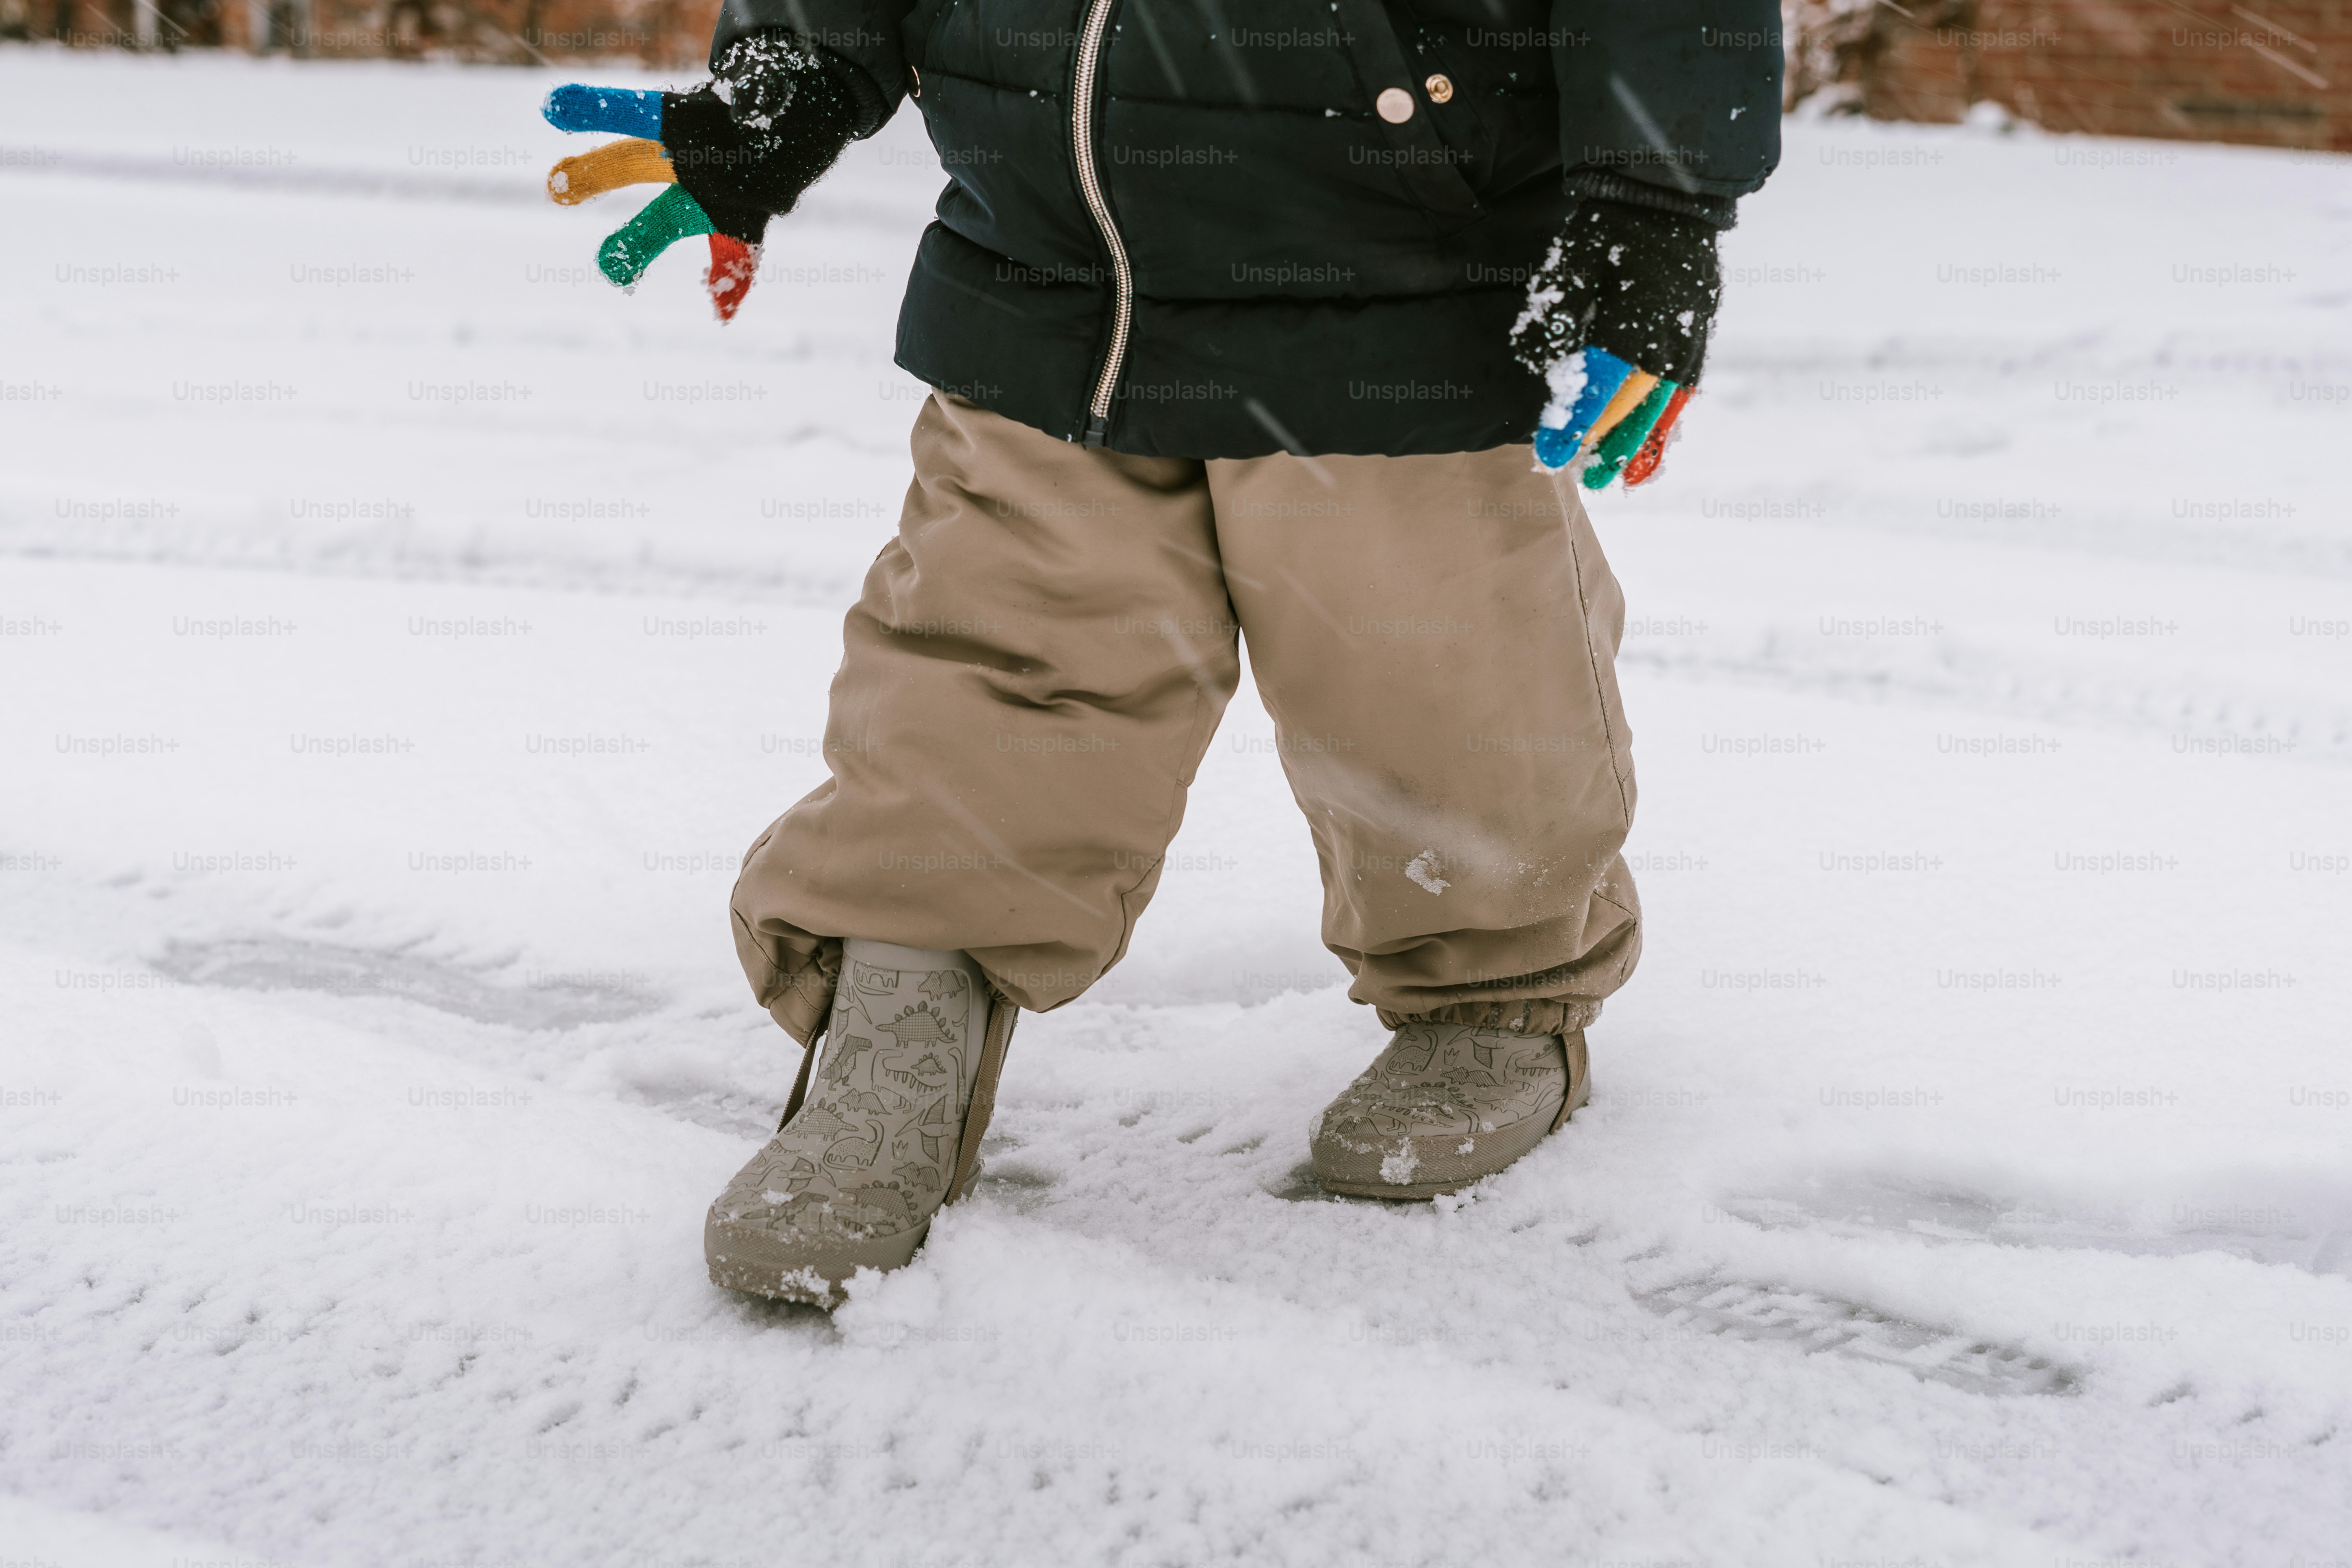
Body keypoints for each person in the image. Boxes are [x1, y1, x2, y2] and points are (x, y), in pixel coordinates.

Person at [541, 2, 1782, 1306]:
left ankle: (1499, 989)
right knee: (989, 667)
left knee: (1432, 678)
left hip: (1408, 284)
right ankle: (904, 1016)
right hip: (1046, 272)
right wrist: (796, 70)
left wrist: (1655, 203)